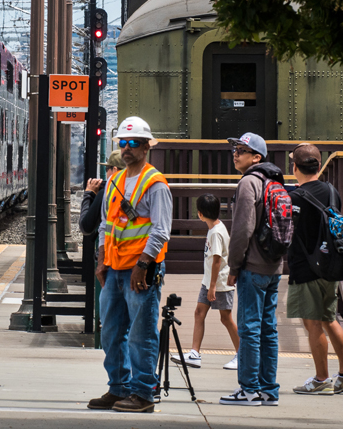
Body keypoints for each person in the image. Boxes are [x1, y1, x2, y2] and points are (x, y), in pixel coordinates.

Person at [88, 116, 173, 414]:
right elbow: (105, 224)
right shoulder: (114, 181)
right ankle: (119, 387)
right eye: (123, 143)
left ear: (147, 147)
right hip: (113, 269)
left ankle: (143, 393)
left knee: (141, 334)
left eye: (133, 143)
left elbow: (161, 230)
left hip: (141, 272)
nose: (126, 149)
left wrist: (142, 265)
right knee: (110, 332)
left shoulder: (156, 184)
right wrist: (101, 259)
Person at [286, 143, 343, 395]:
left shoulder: (294, 197)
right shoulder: (331, 191)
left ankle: (321, 379)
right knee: (330, 318)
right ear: (319, 165)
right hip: (330, 265)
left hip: (305, 266)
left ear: (294, 166)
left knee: (313, 323)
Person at [220, 132, 284, 407]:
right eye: (234, 149)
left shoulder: (249, 182)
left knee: (249, 328)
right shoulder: (274, 182)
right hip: (274, 266)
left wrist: (234, 266)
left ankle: (248, 390)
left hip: (253, 268)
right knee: (268, 330)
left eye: (242, 150)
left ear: (257, 157)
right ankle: (269, 389)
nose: (235, 153)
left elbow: (242, 229)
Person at [171, 193, 240, 370]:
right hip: (209, 281)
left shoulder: (216, 232)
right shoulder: (215, 228)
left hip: (219, 284)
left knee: (226, 318)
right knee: (199, 313)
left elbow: (217, 260)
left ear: (200, 214)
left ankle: (243, 354)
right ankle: (194, 353)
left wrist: (212, 287)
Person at [78, 150, 125, 238]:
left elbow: (85, 227)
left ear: (114, 170)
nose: (106, 173)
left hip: (112, 248)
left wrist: (89, 194)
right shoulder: (138, 190)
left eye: (107, 169)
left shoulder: (107, 193)